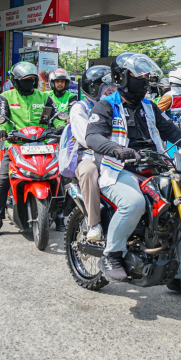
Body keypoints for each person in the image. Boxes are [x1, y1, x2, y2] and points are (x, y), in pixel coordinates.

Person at [85, 54, 181, 282]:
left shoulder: (149, 107)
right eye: (139, 75)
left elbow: (172, 132)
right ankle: (112, 254)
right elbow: (93, 137)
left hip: (154, 167)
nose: (145, 80)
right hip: (118, 169)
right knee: (133, 203)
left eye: (146, 76)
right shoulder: (106, 105)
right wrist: (117, 149)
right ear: (122, 77)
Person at [0, 62, 59, 237]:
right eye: (25, 80)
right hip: (15, 146)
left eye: (32, 80)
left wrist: (60, 126)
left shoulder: (44, 97)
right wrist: (2, 131)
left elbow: (55, 116)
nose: (29, 83)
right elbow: (2, 118)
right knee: (3, 180)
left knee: (60, 175)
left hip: (42, 144)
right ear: (16, 81)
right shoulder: (6, 96)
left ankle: (60, 216)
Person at [68, 65, 114, 242]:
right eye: (106, 87)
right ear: (93, 88)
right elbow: (86, 138)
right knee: (88, 172)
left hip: (115, 154)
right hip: (89, 155)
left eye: (112, 87)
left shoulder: (114, 105)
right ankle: (94, 223)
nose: (111, 90)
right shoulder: (80, 108)